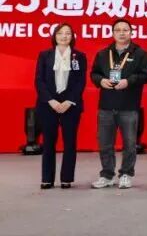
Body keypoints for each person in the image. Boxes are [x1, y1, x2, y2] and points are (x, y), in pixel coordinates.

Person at [90, 19, 147, 189]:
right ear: (113, 33)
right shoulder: (103, 54)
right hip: (106, 105)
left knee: (130, 144)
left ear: (131, 33)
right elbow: (94, 73)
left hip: (129, 106)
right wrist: (100, 81)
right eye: (118, 30)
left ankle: (126, 174)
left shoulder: (140, 53)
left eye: (125, 30)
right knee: (105, 144)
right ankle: (107, 175)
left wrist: (128, 81)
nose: (122, 33)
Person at [34, 23, 87, 189]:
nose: (64, 36)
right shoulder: (45, 55)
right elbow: (39, 80)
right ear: (54, 36)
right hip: (48, 104)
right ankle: (47, 178)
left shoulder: (79, 56)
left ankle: (66, 178)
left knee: (70, 142)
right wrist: (51, 100)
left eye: (68, 33)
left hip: (70, 104)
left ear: (72, 37)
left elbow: (80, 82)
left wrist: (69, 101)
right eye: (60, 33)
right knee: (48, 142)